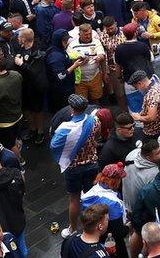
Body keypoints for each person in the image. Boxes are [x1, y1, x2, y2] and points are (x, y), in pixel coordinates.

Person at [50, 94, 101, 238]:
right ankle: (94, 225)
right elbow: (96, 138)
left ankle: (72, 228)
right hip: (92, 164)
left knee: (74, 199)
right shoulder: (95, 120)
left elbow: (54, 145)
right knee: (91, 197)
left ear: (72, 108)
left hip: (73, 168)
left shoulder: (66, 128)